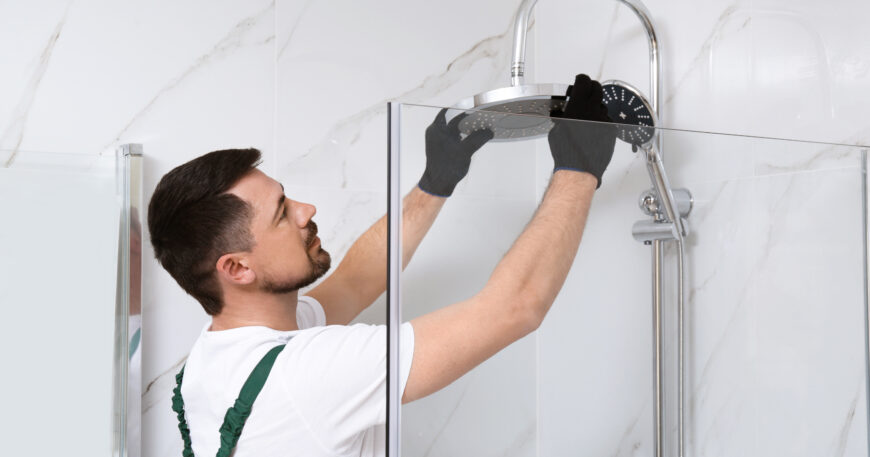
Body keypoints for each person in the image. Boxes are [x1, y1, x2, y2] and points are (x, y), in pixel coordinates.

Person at [147, 74, 616, 457]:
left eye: (287, 197)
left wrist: (436, 181)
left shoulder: (224, 355)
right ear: (237, 269)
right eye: (282, 213)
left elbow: (355, 280)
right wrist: (579, 170)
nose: (305, 210)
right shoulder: (306, 374)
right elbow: (515, 308)